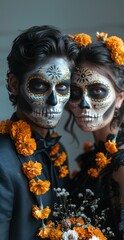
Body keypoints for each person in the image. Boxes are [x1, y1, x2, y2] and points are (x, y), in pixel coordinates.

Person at [0, 25, 78, 240]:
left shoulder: (57, 150)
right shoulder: (1, 160)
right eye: (40, 86)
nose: (53, 101)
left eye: (62, 87)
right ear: (15, 85)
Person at [65, 32, 124, 239]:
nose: (84, 104)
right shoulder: (96, 156)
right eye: (75, 93)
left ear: (120, 97)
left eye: (97, 92)